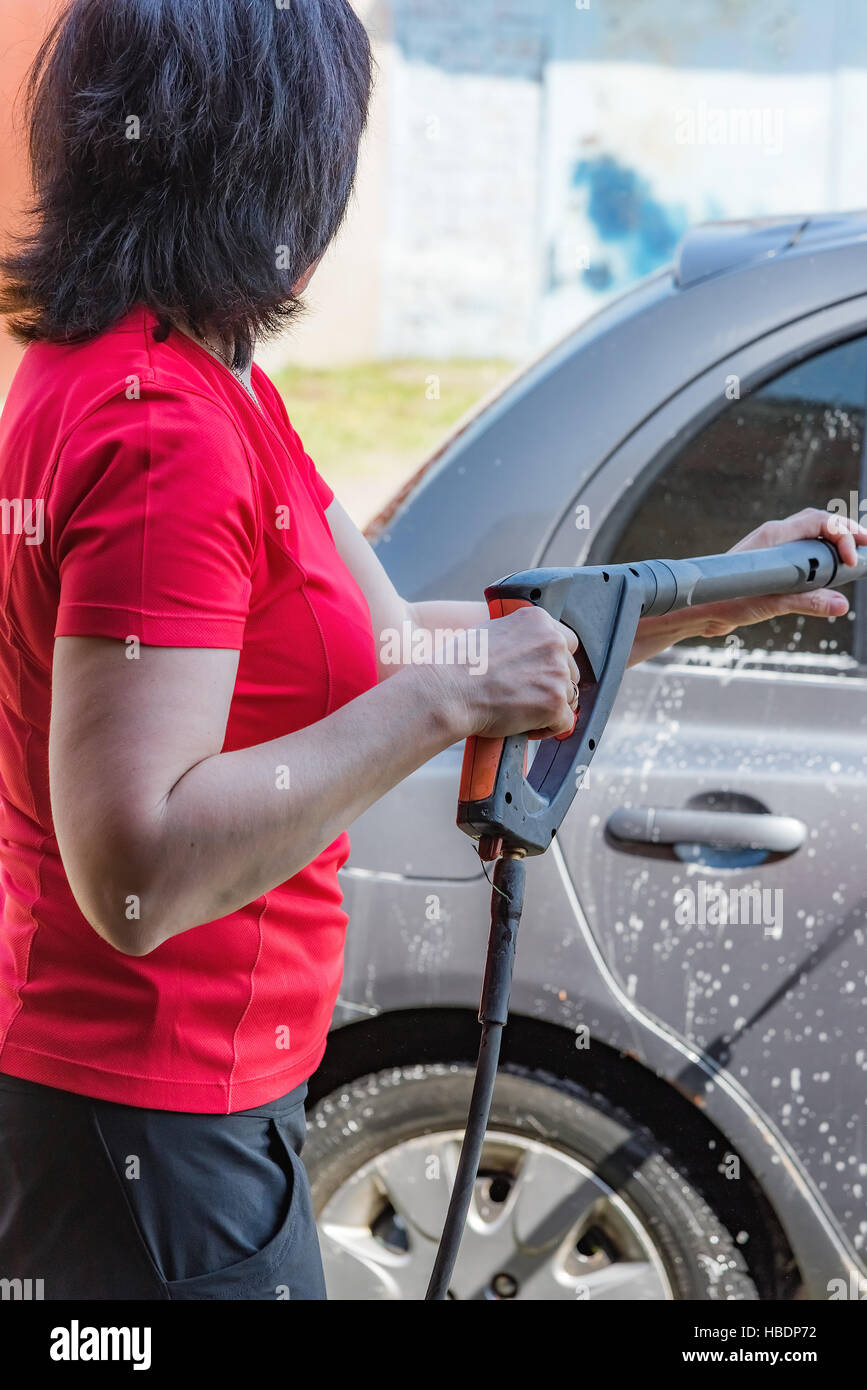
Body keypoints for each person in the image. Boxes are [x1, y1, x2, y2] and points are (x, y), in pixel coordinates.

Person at [0, 0, 863, 1302]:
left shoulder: (164, 378)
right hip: (155, 1110)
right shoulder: (164, 431)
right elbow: (137, 872)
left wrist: (698, 595)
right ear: (278, 164)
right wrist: (450, 703)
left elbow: (390, 634)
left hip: (173, 1094)